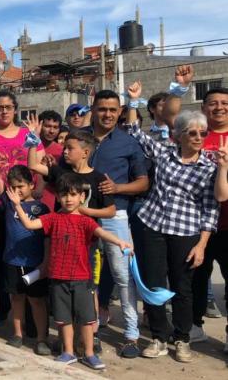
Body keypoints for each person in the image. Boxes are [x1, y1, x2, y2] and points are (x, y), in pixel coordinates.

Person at [7, 173, 132, 370]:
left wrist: (121, 242)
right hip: (58, 278)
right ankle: (68, 352)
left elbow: (102, 233)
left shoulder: (86, 221)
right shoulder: (52, 218)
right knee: (63, 319)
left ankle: (89, 354)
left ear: (82, 197)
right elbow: (30, 224)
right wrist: (16, 205)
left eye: (73, 194)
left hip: (82, 278)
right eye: (64, 194)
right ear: (57, 197)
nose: (69, 198)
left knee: (87, 319)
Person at [125, 110, 218, 363]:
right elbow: (137, 134)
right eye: (193, 132)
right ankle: (158, 337)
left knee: (182, 288)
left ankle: (182, 338)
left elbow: (211, 209)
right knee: (154, 285)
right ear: (179, 136)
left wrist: (202, 244)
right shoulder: (165, 154)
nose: (198, 137)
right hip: (153, 225)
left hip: (186, 232)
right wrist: (134, 102)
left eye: (203, 133)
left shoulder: (209, 168)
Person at [84, 89, 148, 357]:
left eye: (113, 109)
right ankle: (92, 331)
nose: (107, 114)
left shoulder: (128, 142)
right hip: (83, 215)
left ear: (120, 111)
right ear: (93, 109)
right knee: (86, 278)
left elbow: (143, 182)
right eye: (102, 109)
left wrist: (118, 188)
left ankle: (131, 335)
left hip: (116, 215)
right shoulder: (79, 137)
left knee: (123, 277)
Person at [0, 157, 51, 355]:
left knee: (37, 301)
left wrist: (46, 262)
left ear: (31, 185)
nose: (17, 190)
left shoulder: (41, 208)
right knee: (17, 299)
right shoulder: (9, 203)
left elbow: (47, 239)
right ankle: (18, 334)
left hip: (35, 264)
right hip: (12, 261)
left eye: (21, 186)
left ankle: (41, 338)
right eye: (13, 187)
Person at [196, 86, 228, 352]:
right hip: (197, 225)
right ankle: (193, 327)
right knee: (195, 279)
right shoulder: (196, 136)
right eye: (213, 103)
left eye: (224, 103)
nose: (219, 107)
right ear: (204, 108)